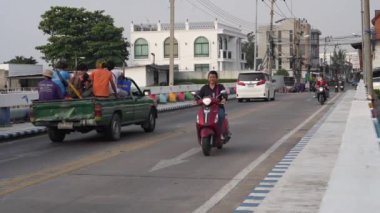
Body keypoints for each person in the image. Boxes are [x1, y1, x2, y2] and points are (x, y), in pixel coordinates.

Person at [198, 70, 230, 139]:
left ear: (216, 78)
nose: (212, 78)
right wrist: (196, 100)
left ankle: (221, 133)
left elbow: (224, 95)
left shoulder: (220, 87)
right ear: (208, 78)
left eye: (213, 77)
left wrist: (224, 99)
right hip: (206, 108)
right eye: (210, 77)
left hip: (218, 108)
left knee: (220, 116)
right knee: (199, 116)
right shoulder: (204, 88)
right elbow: (199, 96)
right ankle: (200, 132)